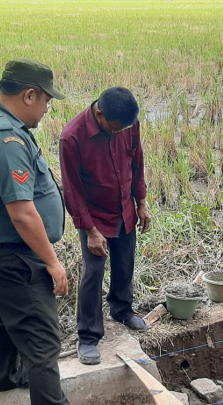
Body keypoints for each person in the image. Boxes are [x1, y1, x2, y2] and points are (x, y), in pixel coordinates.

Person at [0, 59, 92, 405]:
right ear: (29, 94)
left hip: (2, 249)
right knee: (42, 339)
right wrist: (53, 263)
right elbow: (21, 213)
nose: (48, 108)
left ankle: (5, 376)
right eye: (46, 100)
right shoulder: (5, 138)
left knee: (7, 312)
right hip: (16, 253)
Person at [60, 87, 151, 366]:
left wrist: (141, 202)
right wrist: (89, 230)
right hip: (94, 215)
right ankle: (87, 336)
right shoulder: (72, 137)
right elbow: (72, 189)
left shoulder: (127, 124)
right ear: (99, 113)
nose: (120, 132)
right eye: (114, 129)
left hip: (123, 208)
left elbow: (136, 163)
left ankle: (121, 309)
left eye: (124, 128)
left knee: (125, 262)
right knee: (93, 271)